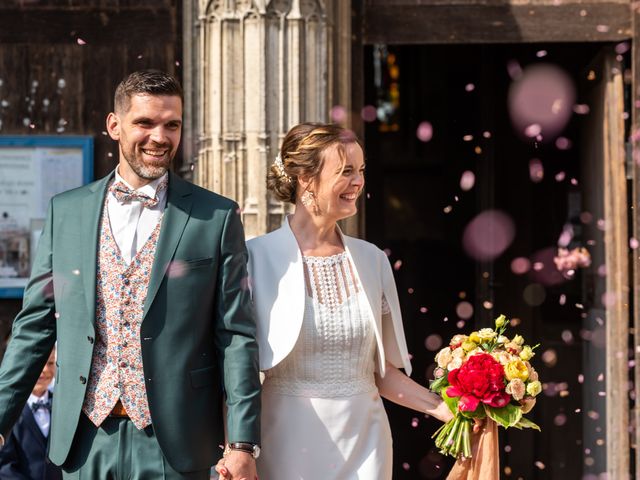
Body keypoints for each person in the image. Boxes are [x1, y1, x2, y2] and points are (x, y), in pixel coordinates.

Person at [0, 70, 261, 480]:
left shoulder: (216, 216)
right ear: (114, 125)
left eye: (171, 125)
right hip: (84, 440)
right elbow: (34, 326)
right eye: (145, 122)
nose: (160, 136)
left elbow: (236, 334)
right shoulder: (65, 212)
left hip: (175, 439)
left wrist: (243, 442)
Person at [216, 123, 453, 480]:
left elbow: (383, 375)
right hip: (286, 443)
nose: (358, 182)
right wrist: (236, 449)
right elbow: (235, 368)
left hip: (366, 442)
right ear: (306, 178)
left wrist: (449, 409)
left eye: (361, 171)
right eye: (346, 171)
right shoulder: (255, 258)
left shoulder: (373, 259)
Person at [0, 348, 62, 480]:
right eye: (39, 363)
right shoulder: (8, 411)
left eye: (50, 363)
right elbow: (5, 466)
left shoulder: (62, 406)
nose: (44, 369)